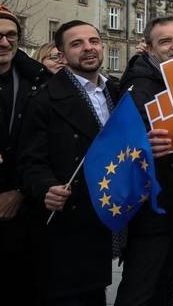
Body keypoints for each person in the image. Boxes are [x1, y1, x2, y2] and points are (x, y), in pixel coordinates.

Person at [18, 20, 117, 305]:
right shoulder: (43, 100)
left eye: (94, 41)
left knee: (95, 294)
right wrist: (46, 187)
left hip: (105, 212)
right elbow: (30, 161)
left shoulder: (116, 91)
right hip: (67, 222)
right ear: (62, 54)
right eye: (77, 44)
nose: (88, 48)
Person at [114, 16, 173, 306]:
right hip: (151, 208)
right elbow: (126, 139)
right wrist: (144, 142)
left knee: (164, 285)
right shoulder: (140, 84)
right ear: (149, 49)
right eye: (166, 41)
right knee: (141, 288)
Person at [0, 6, 51, 304]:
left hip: (24, 203)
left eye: (11, 35)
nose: (5, 43)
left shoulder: (37, 82)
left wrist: (20, 190)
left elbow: (45, 146)